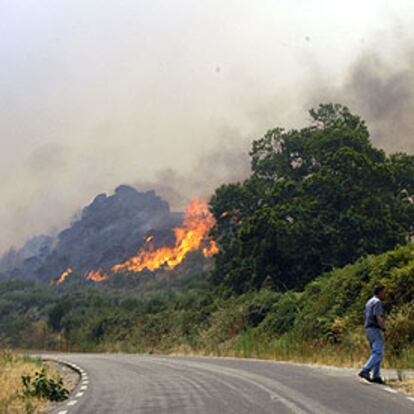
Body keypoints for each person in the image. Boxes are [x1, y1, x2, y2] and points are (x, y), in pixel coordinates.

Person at [358, 285, 386, 384]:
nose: (384, 294)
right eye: (383, 292)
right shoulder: (377, 302)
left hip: (368, 328)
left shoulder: (369, 301)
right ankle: (366, 369)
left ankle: (376, 375)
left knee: (377, 352)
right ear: (379, 292)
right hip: (375, 328)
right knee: (378, 352)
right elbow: (378, 316)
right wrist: (383, 328)